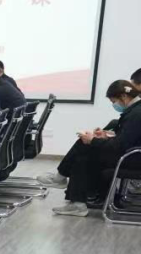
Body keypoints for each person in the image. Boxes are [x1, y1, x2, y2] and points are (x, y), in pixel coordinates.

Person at [38, 80, 141, 217]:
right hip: (130, 154)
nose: (114, 105)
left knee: (85, 147)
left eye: (114, 101)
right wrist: (106, 135)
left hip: (132, 159)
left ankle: (63, 182)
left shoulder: (136, 113)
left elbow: (120, 145)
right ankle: (75, 201)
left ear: (123, 96)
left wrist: (93, 140)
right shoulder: (135, 110)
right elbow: (127, 138)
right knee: (83, 152)